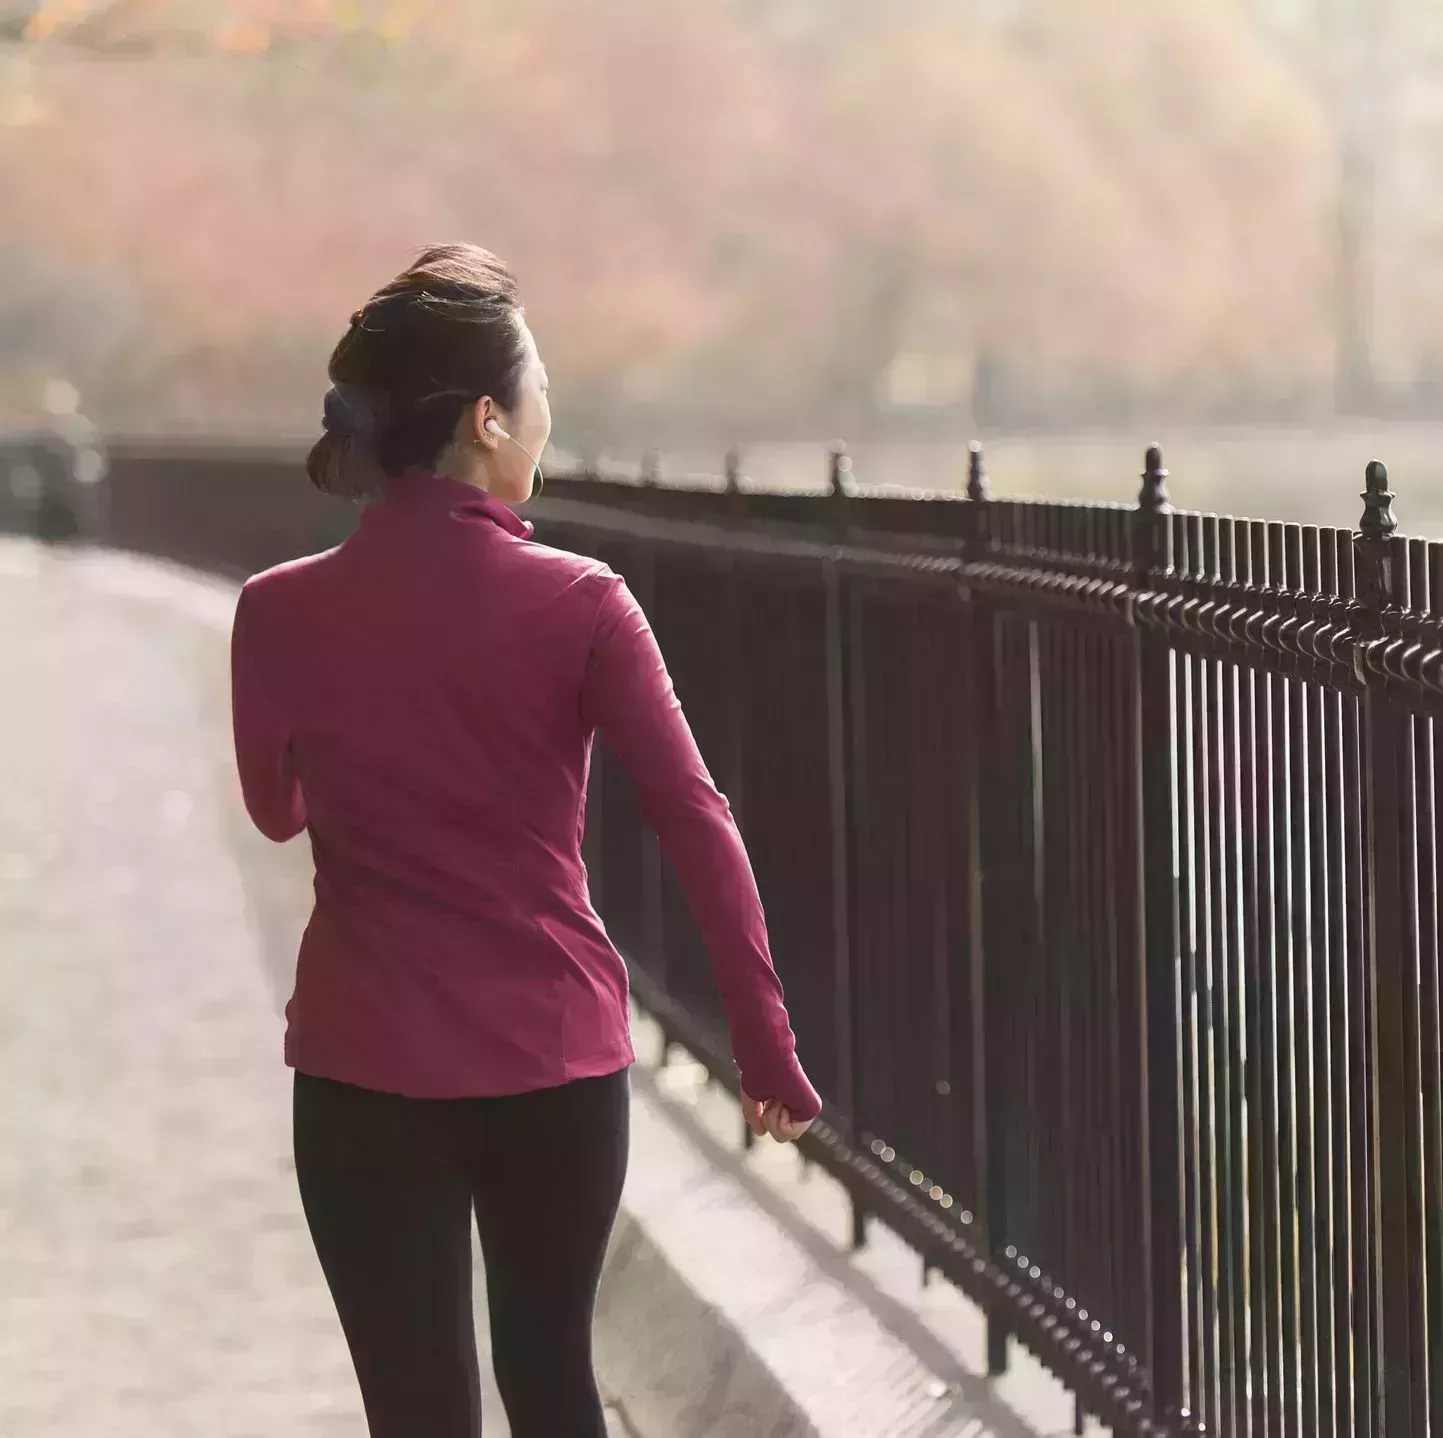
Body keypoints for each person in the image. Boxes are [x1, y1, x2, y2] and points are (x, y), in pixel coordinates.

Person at [228, 243, 820, 1438]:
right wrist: (765, 1048)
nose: (552, 408)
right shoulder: (584, 602)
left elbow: (274, 809)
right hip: (551, 1061)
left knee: (415, 1410)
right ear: (491, 420)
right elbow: (695, 819)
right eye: (540, 385)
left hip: (360, 1068)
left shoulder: (277, 608)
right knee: (551, 1377)